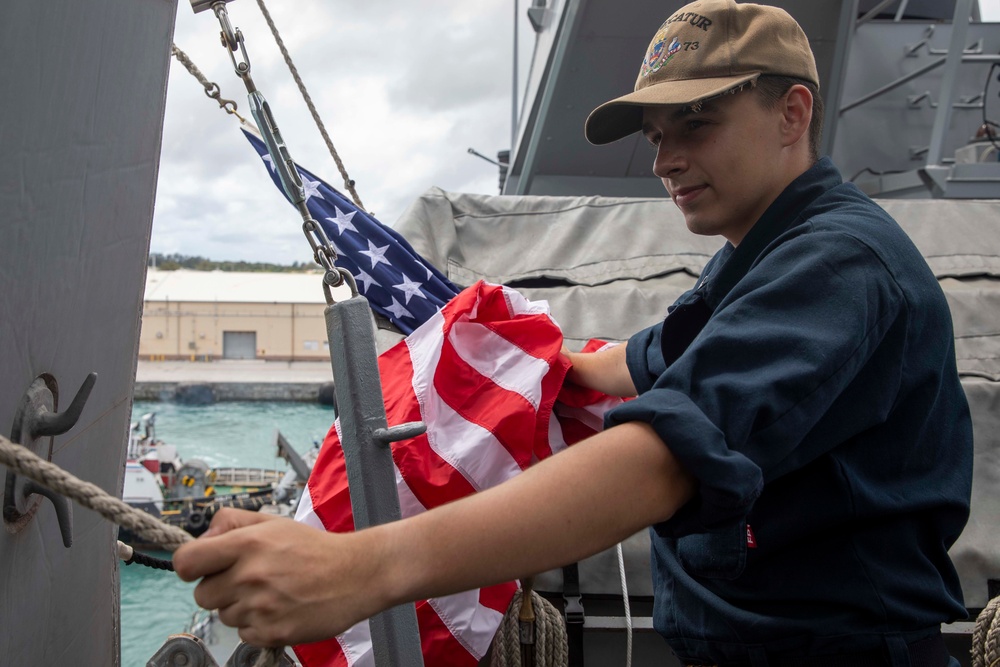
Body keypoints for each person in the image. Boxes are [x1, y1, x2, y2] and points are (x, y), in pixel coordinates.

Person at [174, 1, 974, 664]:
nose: (666, 159)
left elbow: (662, 458)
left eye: (695, 123)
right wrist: (546, 359)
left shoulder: (839, 264)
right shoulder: (760, 251)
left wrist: (363, 565)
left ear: (791, 112)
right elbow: (661, 354)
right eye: (657, 136)